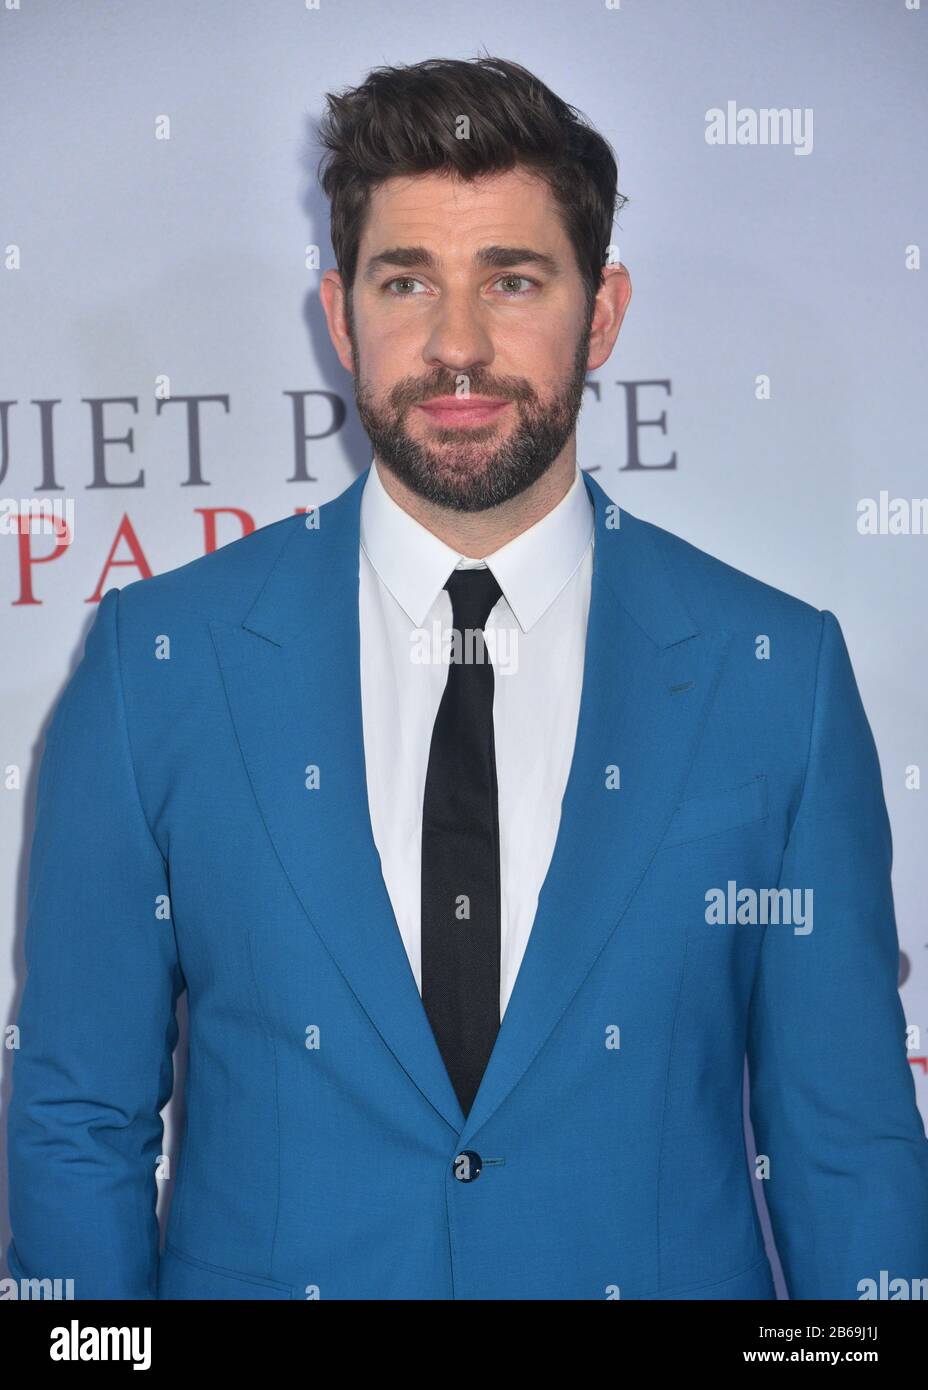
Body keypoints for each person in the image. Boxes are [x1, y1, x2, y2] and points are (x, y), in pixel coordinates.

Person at [7, 55, 928, 1301]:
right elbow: (76, 1121)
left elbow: (845, 1146)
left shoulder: (775, 675)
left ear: (600, 313)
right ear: (339, 315)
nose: (456, 346)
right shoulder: (157, 665)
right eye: (406, 282)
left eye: (511, 279)